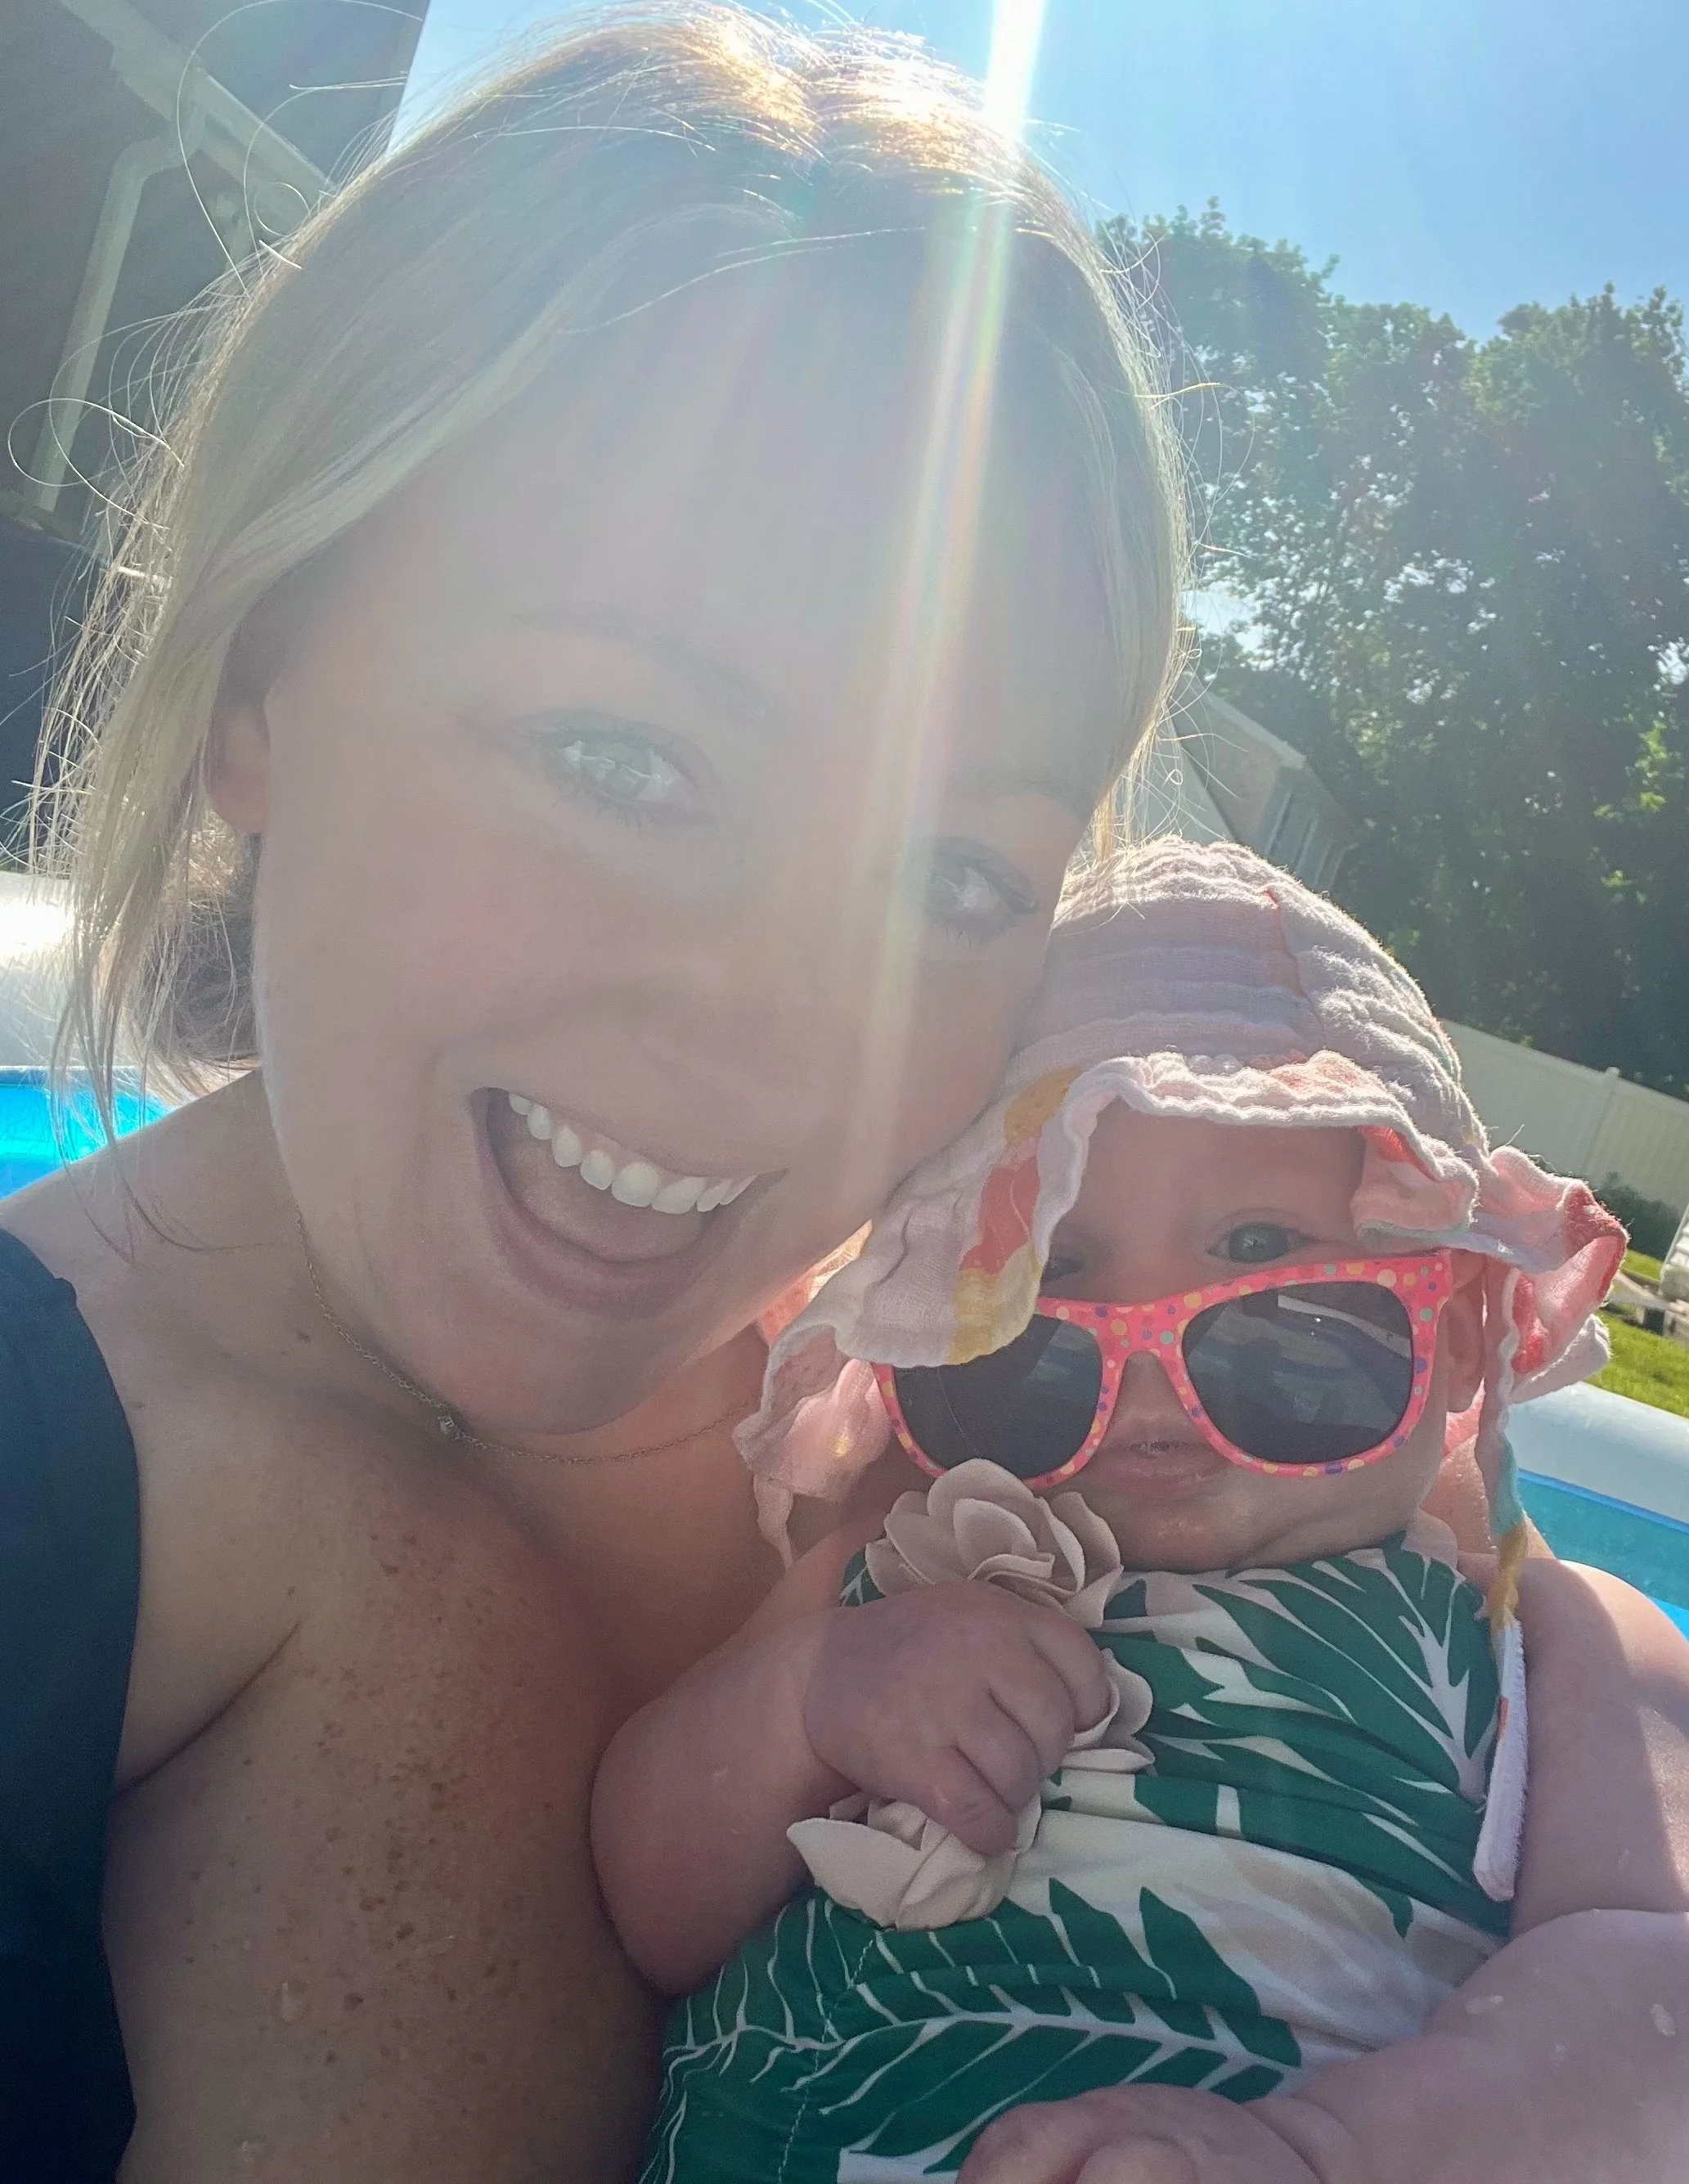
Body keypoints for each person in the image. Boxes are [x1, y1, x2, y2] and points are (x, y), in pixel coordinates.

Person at [0, 7, 1682, 2182]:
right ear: (259, 682)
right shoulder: (54, 1498)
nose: (771, 1032)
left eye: (956, 874)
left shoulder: (996, 1436)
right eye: (622, 757)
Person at [595, 839, 1689, 2184]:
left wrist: (1325, 2148)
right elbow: (646, 1909)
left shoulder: (1559, 1641)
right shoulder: (911, 1564)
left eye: (1266, 1271)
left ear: (1459, 1329)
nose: (1151, 1371)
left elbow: (1656, 2001)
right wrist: (808, 1702)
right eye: (1052, 1288)